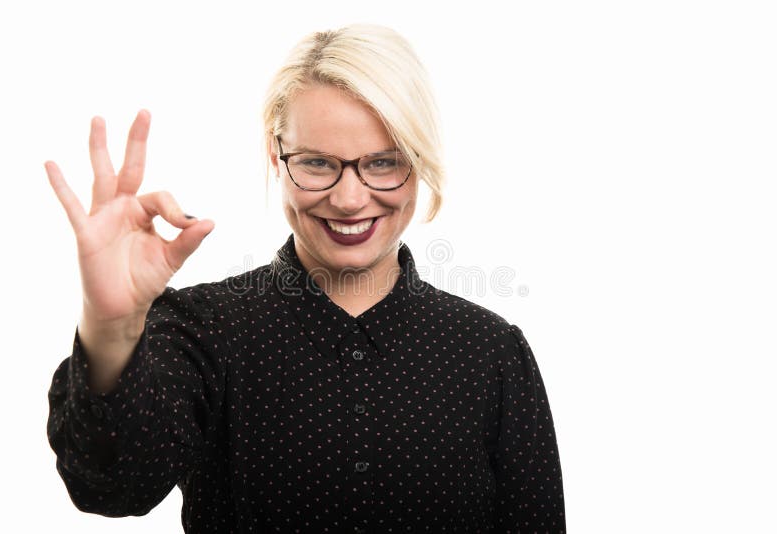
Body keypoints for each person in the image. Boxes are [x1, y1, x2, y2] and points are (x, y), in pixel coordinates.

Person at [45, 24, 566, 533]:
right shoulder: (201, 331)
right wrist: (110, 324)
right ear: (276, 156)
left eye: (383, 163)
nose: (349, 199)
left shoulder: (491, 351)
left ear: (420, 161)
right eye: (317, 163)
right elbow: (111, 487)